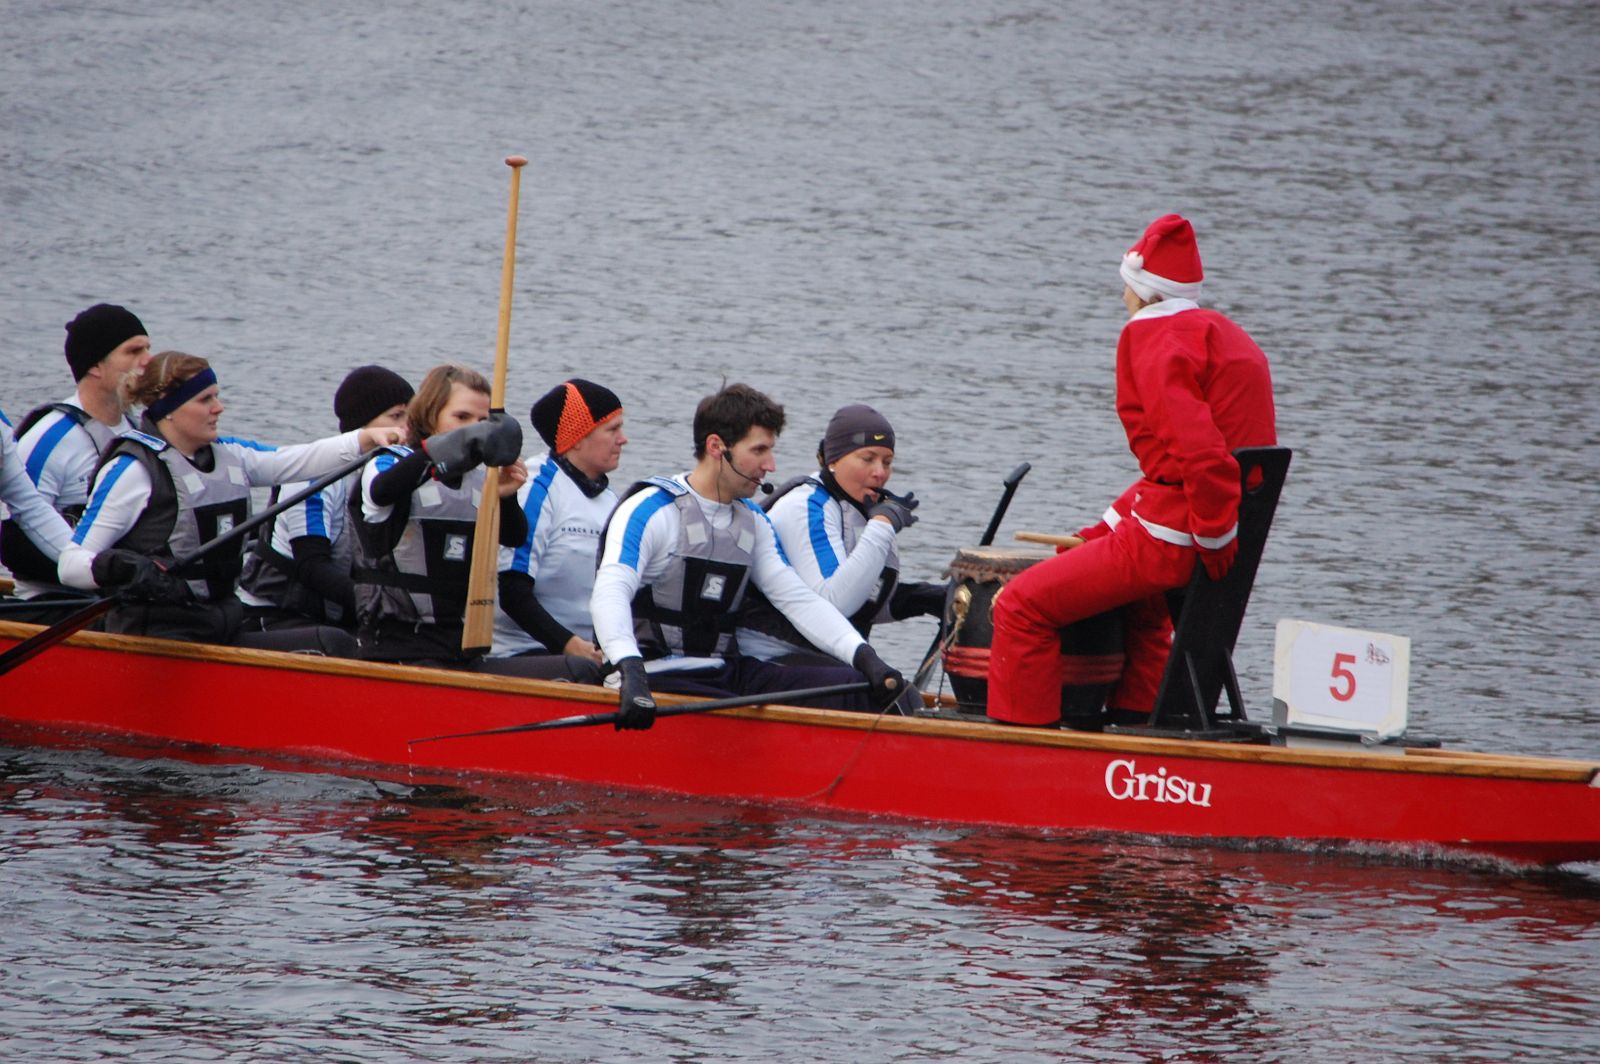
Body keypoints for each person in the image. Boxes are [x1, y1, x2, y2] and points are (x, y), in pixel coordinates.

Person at [986, 214, 1277, 727]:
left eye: (1126, 286)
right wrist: (1107, 528)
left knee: (1019, 605)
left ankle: (1022, 742)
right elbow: (1174, 471)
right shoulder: (1228, 335)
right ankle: (1142, 727)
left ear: (1145, 291)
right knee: (1145, 611)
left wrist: (1213, 537)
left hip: (1180, 539)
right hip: (1212, 529)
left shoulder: (1153, 336)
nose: (1122, 297)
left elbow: (1201, 455)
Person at [590, 383, 905, 730]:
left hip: (725, 672)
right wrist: (629, 668)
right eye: (759, 450)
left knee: (855, 686)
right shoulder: (651, 510)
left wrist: (865, 658)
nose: (770, 465)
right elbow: (610, 591)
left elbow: (798, 600)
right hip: (652, 676)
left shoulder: (753, 521)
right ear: (716, 447)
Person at [55, 351, 406, 645]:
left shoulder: (232, 456)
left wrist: (366, 438)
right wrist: (122, 568)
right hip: (158, 635)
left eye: (217, 396)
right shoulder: (133, 471)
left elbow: (295, 460)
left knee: (338, 642)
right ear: (168, 408)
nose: (219, 408)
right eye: (205, 399)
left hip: (219, 624)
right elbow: (70, 566)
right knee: (333, 644)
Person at [351, 363, 595, 681]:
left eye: (482, 423)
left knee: (580, 671)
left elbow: (514, 537)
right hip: (396, 651)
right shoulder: (389, 463)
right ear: (430, 415)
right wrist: (451, 446)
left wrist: (505, 495)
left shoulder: (480, 481)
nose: (474, 430)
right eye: (462, 418)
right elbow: (381, 491)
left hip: (461, 653)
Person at [738, 403, 944, 666]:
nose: (880, 472)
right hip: (766, 655)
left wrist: (920, 599)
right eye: (868, 459)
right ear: (833, 460)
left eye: (887, 462)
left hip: (821, 656)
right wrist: (882, 526)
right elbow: (835, 604)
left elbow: (863, 599)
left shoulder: (861, 509)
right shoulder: (805, 506)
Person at [235, 366, 415, 651]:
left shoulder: (387, 478)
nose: (407, 428)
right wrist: (381, 607)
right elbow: (311, 566)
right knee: (348, 645)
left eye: (410, 417)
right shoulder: (315, 477)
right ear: (362, 425)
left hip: (333, 615)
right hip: (273, 614)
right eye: (396, 416)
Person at [1, 304, 153, 618]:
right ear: (95, 365)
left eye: (148, 349)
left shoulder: (139, 433)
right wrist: (98, 573)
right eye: (134, 351)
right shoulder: (49, 438)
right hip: (56, 603)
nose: (148, 361)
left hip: (122, 597)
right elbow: (18, 532)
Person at [489, 379, 626, 681]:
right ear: (577, 439)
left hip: (586, 654)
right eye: (612, 430)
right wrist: (568, 644)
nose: (623, 439)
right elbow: (511, 592)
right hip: (522, 650)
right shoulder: (536, 487)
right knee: (590, 672)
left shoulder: (611, 502)